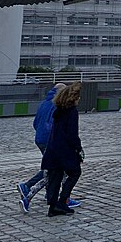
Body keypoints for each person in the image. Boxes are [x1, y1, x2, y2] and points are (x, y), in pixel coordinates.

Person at [17, 82, 81, 213]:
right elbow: (66, 131)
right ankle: (30, 189)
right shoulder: (59, 105)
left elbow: (35, 122)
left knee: (54, 172)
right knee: (52, 172)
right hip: (52, 142)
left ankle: (54, 198)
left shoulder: (44, 103)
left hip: (42, 139)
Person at [41, 82, 84, 217]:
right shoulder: (72, 112)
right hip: (64, 151)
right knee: (75, 173)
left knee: (55, 177)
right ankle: (61, 202)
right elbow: (72, 134)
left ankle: (53, 206)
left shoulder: (59, 110)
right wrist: (78, 149)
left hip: (53, 149)